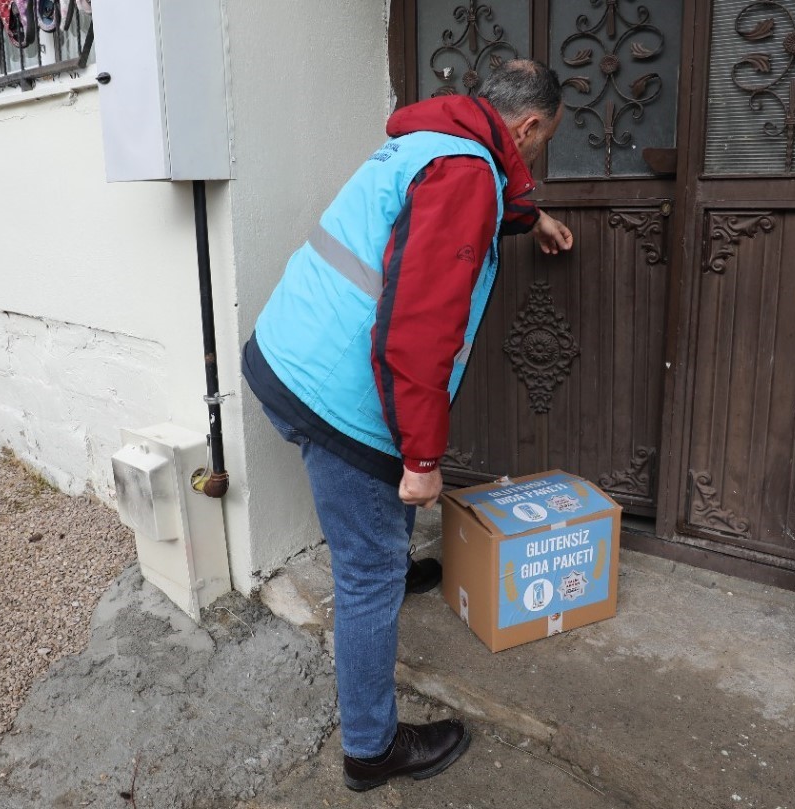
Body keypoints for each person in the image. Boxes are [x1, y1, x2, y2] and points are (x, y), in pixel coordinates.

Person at [242, 59, 573, 791]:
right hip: (338, 394)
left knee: (373, 535)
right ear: (525, 126)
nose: (535, 153)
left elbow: (448, 212)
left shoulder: (434, 139)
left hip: (285, 356)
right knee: (366, 576)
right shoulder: (464, 173)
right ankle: (369, 748)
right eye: (541, 140)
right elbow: (416, 333)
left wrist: (529, 215)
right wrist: (421, 457)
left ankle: (389, 556)